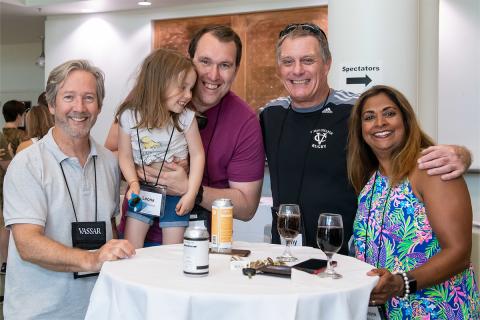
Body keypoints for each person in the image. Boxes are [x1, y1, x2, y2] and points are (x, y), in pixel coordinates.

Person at [260, 23, 472, 254]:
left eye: (308, 60)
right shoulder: (269, 114)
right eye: (288, 61)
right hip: (285, 252)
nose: (297, 70)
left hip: (347, 257)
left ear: (327, 64)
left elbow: (409, 145)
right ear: (279, 68)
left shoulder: (356, 109)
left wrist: (462, 155)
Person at [3, 59, 135, 319]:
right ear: (52, 105)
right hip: (41, 313)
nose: (79, 107)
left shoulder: (109, 162)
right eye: (69, 97)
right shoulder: (28, 164)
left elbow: (110, 225)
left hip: (98, 308)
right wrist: (91, 258)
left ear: (99, 107)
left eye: (89, 98)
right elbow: (27, 243)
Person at [107, 25, 265, 244]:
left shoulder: (245, 121)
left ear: (236, 70)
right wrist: (149, 169)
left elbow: (247, 207)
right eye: (205, 61)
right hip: (137, 226)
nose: (213, 74)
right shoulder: (147, 99)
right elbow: (109, 155)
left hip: (200, 241)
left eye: (225, 65)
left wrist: (192, 190)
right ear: (190, 60)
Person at [348, 85, 479, 319]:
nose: (379, 123)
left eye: (389, 113)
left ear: (406, 120)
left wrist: (400, 284)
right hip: (388, 312)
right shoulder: (370, 182)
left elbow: (459, 253)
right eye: (369, 117)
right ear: (360, 130)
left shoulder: (432, 169)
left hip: (439, 311)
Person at [116, 48, 204, 247]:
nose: (189, 95)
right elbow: (124, 156)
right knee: (131, 246)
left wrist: (191, 193)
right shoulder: (128, 117)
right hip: (143, 190)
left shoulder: (186, 118)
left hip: (175, 193)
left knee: (173, 252)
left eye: (191, 88)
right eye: (183, 87)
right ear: (159, 83)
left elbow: (198, 155)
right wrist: (133, 183)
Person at [0, 100, 27, 275]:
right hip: (15, 185)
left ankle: (4, 262)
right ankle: (11, 263)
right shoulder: (23, 137)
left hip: (1, 184)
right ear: (19, 115)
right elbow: (9, 165)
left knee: (3, 224)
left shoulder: (1, 133)